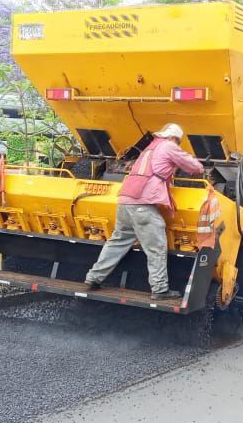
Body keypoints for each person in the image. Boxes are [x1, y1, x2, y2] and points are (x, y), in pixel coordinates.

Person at [84, 123, 204, 300]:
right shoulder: (169, 146)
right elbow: (193, 166)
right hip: (143, 205)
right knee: (156, 246)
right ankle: (160, 289)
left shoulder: (149, 148)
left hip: (125, 201)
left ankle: (93, 278)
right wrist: (200, 169)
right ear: (175, 138)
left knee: (117, 242)